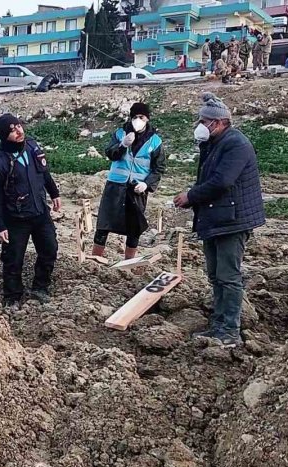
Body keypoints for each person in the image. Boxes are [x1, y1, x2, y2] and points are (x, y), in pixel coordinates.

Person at [172, 93, 266, 347]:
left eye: (205, 121)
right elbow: (208, 178)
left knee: (228, 275)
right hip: (217, 218)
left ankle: (229, 330)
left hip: (232, 219)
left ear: (220, 122)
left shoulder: (236, 144)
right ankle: (219, 323)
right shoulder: (214, 143)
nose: (200, 126)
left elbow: (222, 181)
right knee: (215, 274)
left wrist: (191, 196)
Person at [0, 114, 61, 307]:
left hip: (40, 212)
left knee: (50, 249)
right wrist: (0, 225)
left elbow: (44, 173)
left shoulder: (32, 146)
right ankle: (12, 296)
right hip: (15, 218)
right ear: (4, 136)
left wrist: (54, 193)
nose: (18, 131)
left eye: (18, 126)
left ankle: (40, 287)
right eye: (12, 130)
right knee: (13, 259)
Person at [93, 103, 166, 259]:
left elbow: (158, 168)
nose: (137, 120)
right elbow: (110, 154)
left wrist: (147, 184)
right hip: (115, 185)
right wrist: (122, 145)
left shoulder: (155, 141)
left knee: (134, 226)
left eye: (141, 117)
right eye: (134, 117)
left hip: (136, 188)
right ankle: (95, 258)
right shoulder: (120, 133)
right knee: (104, 223)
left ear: (147, 119)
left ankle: (129, 261)